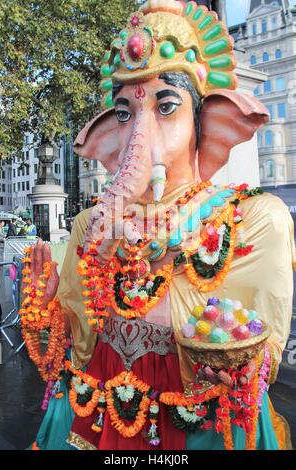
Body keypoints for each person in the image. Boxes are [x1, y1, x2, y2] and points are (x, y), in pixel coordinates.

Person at [21, 1, 295, 451]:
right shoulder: (92, 221)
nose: (139, 133)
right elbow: (77, 351)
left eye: (166, 106)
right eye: (126, 114)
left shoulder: (251, 219)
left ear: (209, 120)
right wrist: (43, 314)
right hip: (98, 419)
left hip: (195, 428)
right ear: (110, 133)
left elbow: (253, 358)